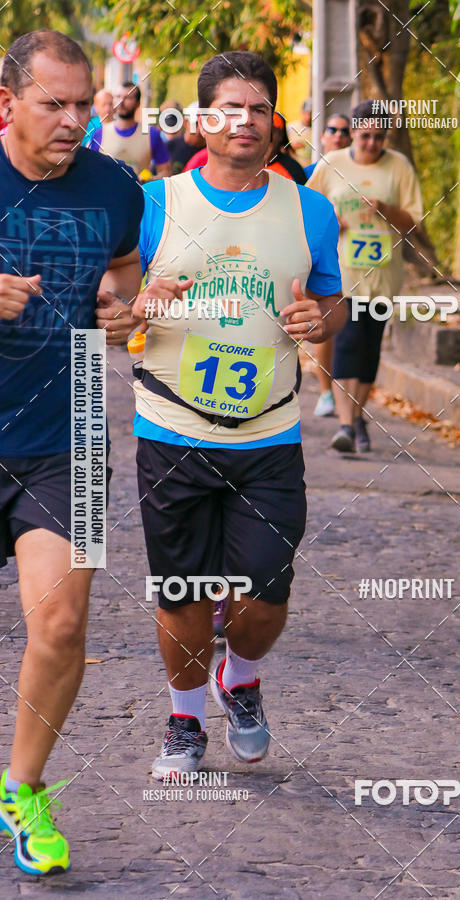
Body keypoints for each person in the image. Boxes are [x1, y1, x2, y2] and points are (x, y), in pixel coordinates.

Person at [130, 50, 345, 779]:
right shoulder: (154, 204)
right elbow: (110, 301)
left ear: (274, 122)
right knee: (183, 593)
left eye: (257, 108)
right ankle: (184, 720)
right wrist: (138, 302)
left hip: (270, 433)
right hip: (173, 431)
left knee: (265, 592)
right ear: (201, 121)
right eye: (228, 107)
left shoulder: (310, 208)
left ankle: (242, 675)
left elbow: (330, 301)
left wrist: (320, 318)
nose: (244, 121)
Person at [0, 30, 143, 876]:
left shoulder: (115, 186)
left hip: (69, 433)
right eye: (54, 103)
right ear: (7, 101)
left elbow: (123, 274)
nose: (74, 121)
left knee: (59, 623)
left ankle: (23, 790)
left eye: (84, 104)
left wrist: (125, 310)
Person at [308, 99, 422, 452]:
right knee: (347, 341)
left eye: (379, 137)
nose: (372, 143)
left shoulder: (399, 167)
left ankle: (356, 418)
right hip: (342, 274)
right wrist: (330, 220)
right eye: (365, 136)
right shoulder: (332, 164)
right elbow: (308, 206)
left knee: (370, 349)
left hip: (383, 276)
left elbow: (414, 219)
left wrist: (386, 210)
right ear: (353, 133)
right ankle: (345, 424)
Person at [305, 114, 352, 416]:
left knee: (348, 332)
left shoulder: (358, 173)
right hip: (323, 260)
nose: (337, 135)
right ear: (322, 136)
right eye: (332, 130)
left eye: (344, 131)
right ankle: (325, 393)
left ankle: (349, 404)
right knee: (327, 328)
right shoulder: (311, 172)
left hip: (358, 261)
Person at [90, 81, 172, 179]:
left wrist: (149, 181)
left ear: (138, 103)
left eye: (127, 98)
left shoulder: (151, 134)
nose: (121, 101)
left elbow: (166, 171)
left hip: (139, 193)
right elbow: (90, 171)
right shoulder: (99, 134)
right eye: (118, 97)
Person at [265, 111, 307, 183]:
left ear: (280, 136)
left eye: (272, 132)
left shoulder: (292, 170)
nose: (267, 137)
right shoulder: (247, 165)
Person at [288, 97, 312, 166]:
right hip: (294, 168)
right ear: (301, 112)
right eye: (306, 113)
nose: (308, 117)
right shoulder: (291, 128)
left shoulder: (317, 130)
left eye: (310, 113)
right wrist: (292, 147)